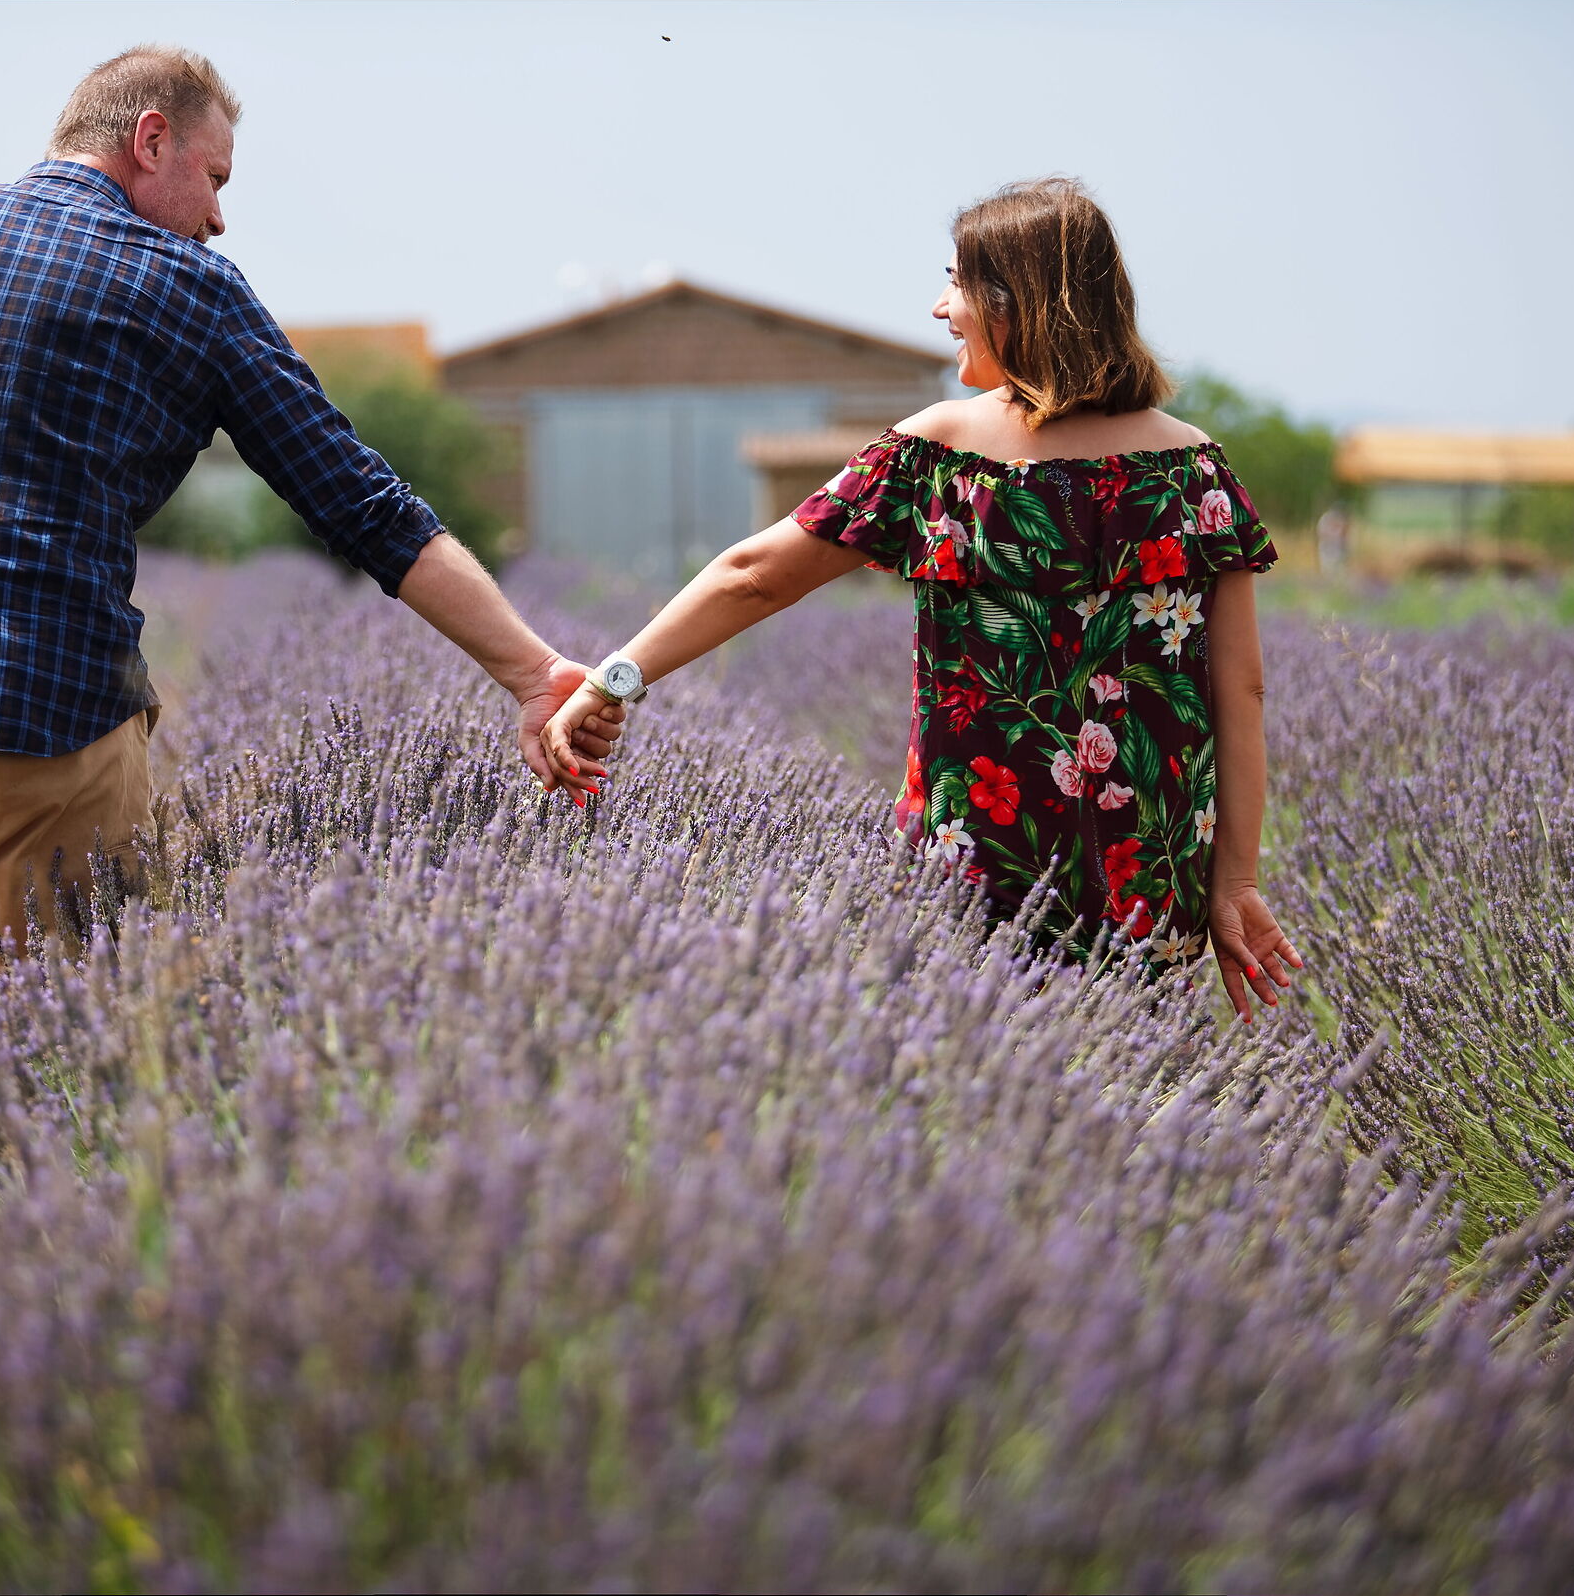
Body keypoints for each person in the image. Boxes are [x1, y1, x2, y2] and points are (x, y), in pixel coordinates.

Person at [0, 45, 622, 1093]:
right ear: (151, 140)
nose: (220, 217)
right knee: (66, 1073)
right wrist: (527, 671)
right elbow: (359, 502)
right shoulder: (195, 292)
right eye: (216, 178)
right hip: (49, 719)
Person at [544, 177, 1301, 1024]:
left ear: (1019, 303)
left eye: (959, 284)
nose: (942, 308)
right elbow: (1240, 691)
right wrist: (1233, 880)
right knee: (1121, 1109)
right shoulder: (1194, 469)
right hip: (1150, 878)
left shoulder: (941, 454)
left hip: (970, 875)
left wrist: (612, 680)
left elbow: (756, 575)